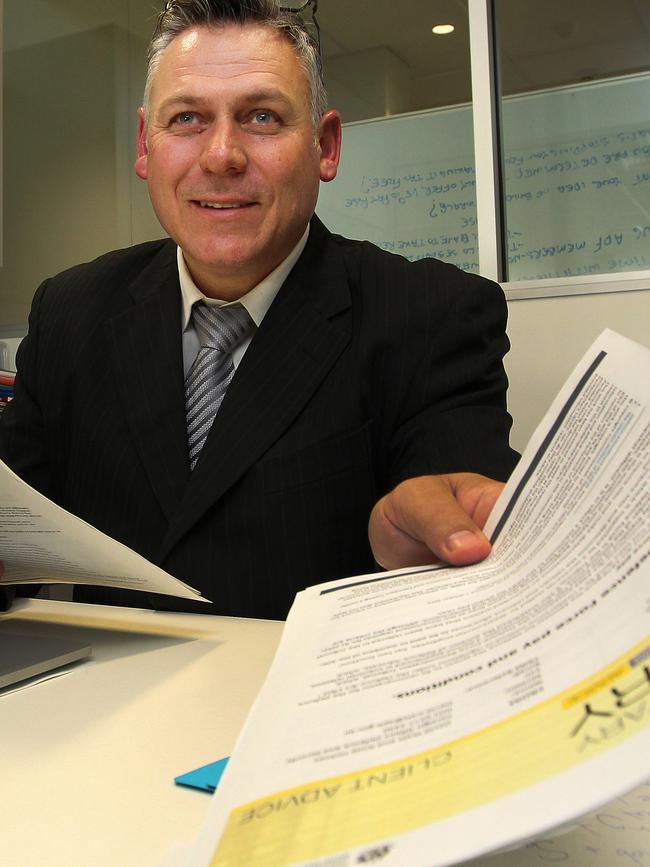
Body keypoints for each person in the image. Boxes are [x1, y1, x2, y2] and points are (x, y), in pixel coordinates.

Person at [0, 0, 518, 620]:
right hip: (103, 699)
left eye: (262, 117)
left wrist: (431, 535)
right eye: (187, 118)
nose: (221, 156)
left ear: (325, 147)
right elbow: (16, 526)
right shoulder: (70, 310)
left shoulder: (434, 314)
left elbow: (456, 501)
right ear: (146, 145)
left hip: (313, 704)